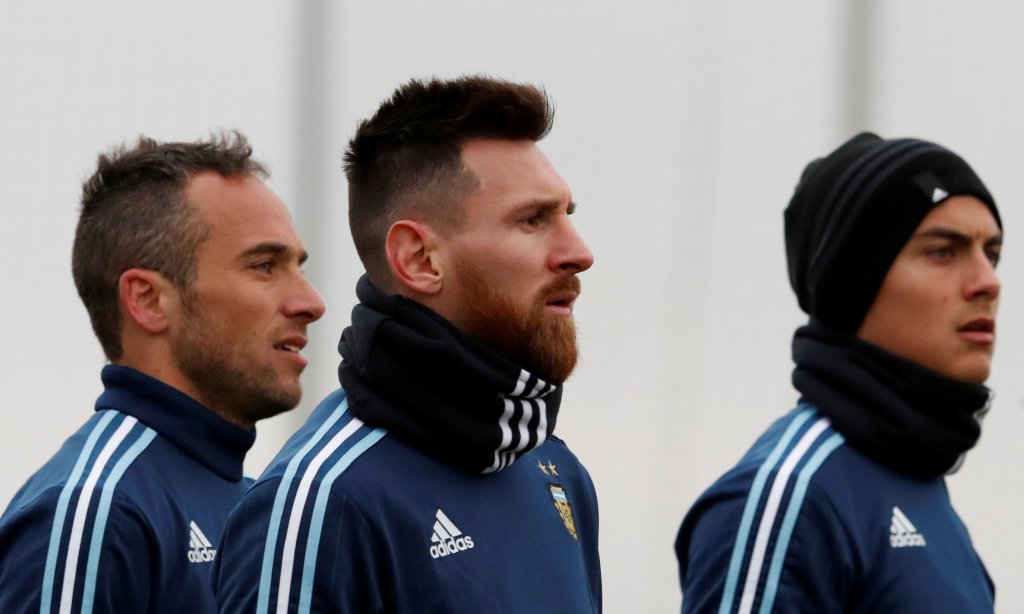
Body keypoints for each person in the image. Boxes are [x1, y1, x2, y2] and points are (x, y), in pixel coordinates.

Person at [214, 76, 602, 613]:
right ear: (419, 259)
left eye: (568, 216)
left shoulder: (557, 473)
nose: (578, 252)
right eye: (533, 220)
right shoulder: (321, 503)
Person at [0, 132, 326, 613]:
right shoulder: (93, 511)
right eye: (264, 266)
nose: (311, 303)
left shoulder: (255, 500)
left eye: (298, 267)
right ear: (148, 300)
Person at [676, 133, 1001, 613]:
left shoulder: (923, 489)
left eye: (990, 253)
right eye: (942, 251)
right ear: (857, 282)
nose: (988, 282)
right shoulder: (791, 495)